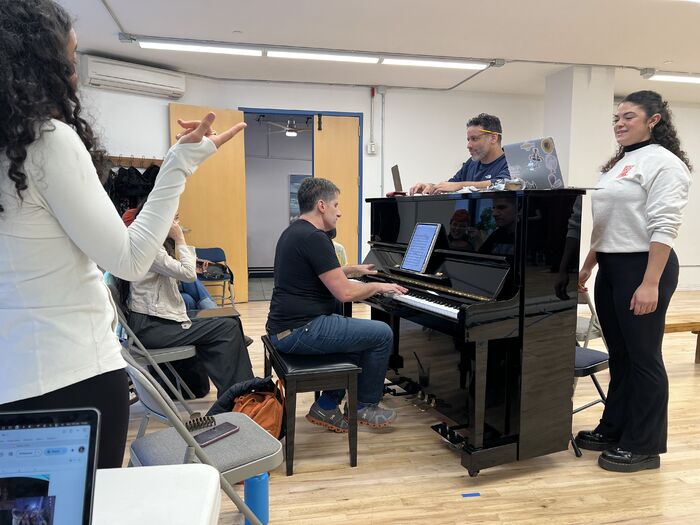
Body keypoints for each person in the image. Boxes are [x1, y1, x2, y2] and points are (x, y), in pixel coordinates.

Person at [0, 0, 246, 469]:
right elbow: (130, 259)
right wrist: (178, 165)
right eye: (69, 62)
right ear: (36, 66)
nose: (74, 75)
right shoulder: (44, 141)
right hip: (70, 378)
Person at [574, 90, 692, 473]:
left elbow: (664, 226)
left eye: (628, 116)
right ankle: (614, 429)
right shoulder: (619, 164)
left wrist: (650, 283)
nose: (619, 123)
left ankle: (644, 446)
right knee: (620, 357)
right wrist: (589, 264)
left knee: (644, 359)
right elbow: (607, 224)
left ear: (654, 120)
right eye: (615, 118)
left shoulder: (665, 164)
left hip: (645, 267)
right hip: (611, 266)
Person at [266, 178, 407, 432]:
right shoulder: (315, 238)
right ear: (321, 205)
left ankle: (327, 406)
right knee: (382, 334)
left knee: (357, 338)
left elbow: (317, 272)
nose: (339, 211)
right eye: (336, 204)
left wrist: (353, 269)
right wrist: (379, 286)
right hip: (300, 330)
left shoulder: (295, 231)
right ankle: (365, 405)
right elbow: (344, 293)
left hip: (286, 327)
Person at [126, 214, 254, 397]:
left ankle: (241, 393)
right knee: (227, 328)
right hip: (150, 326)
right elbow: (187, 275)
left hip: (153, 321)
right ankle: (240, 396)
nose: (177, 223)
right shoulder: (148, 245)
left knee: (230, 321)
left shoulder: (146, 240)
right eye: (174, 218)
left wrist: (188, 262)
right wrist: (179, 237)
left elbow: (171, 270)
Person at [410, 113, 510, 195]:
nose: (469, 145)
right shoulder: (471, 163)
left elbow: (502, 184)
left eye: (474, 139)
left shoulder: (511, 163)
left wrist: (461, 185)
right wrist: (431, 187)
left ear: (493, 138)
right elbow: (452, 184)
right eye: (468, 139)